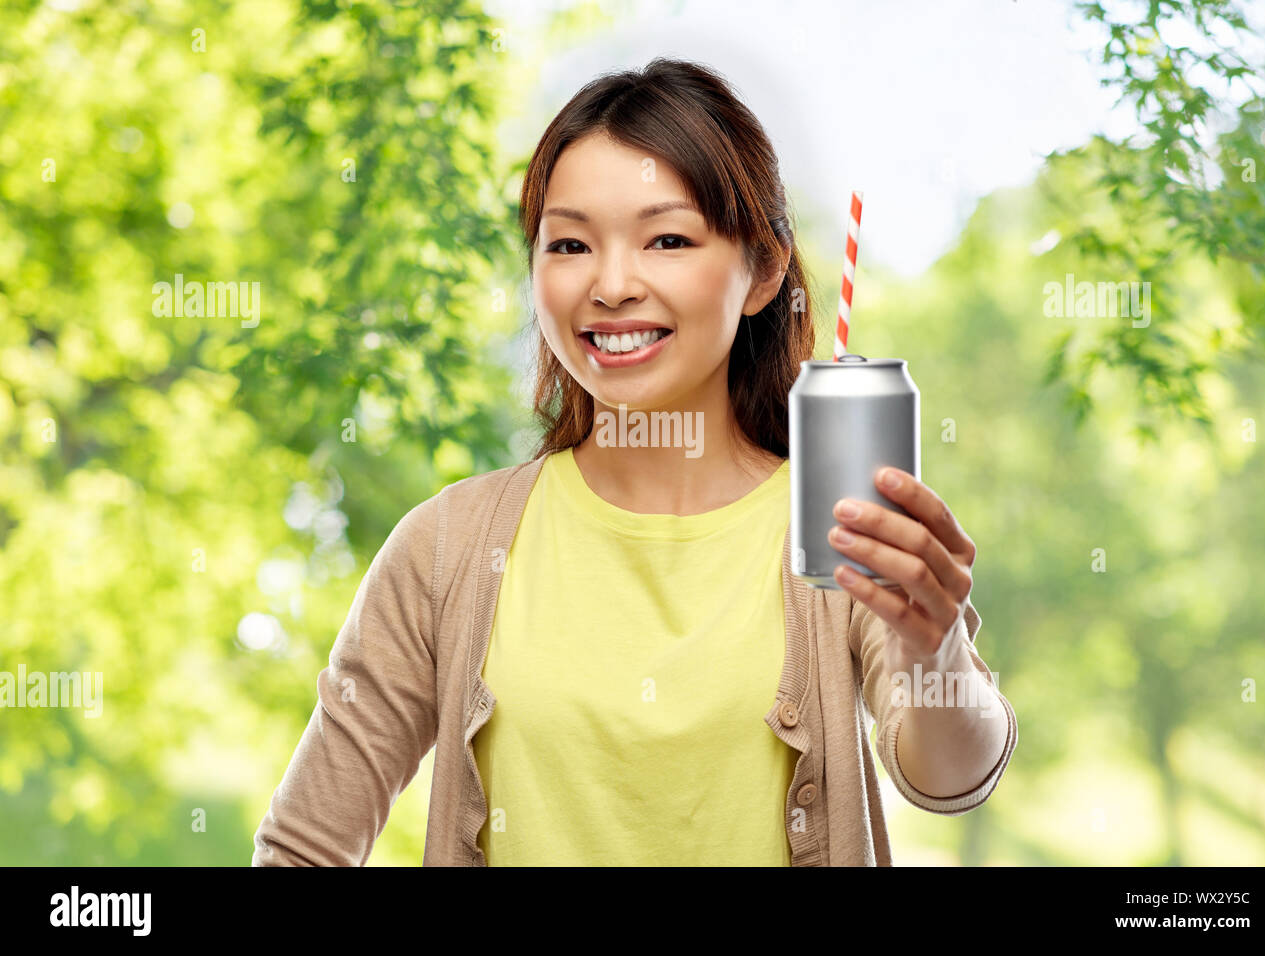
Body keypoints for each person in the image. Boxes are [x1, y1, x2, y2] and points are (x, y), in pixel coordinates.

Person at [252, 57, 1016, 867]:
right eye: (572, 243)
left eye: (668, 239)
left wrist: (934, 652)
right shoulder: (446, 547)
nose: (612, 285)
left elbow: (950, 776)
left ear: (762, 271)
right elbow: (304, 848)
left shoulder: (838, 538)